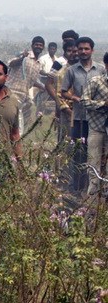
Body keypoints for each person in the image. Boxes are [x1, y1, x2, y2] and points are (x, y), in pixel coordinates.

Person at [61, 37, 106, 195]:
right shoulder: (71, 70)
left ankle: (94, 188)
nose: (83, 52)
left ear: (92, 50)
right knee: (78, 153)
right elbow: (63, 91)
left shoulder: (100, 69)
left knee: (96, 154)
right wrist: (74, 98)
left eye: (86, 49)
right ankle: (77, 187)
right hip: (79, 117)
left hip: (98, 121)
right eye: (80, 49)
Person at [80, 52, 108, 197]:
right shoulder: (96, 81)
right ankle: (91, 201)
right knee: (94, 163)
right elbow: (84, 101)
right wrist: (103, 104)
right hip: (97, 128)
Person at [6, 36, 45, 134]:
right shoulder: (24, 56)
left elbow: (31, 80)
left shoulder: (38, 63)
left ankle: (18, 136)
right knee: (14, 117)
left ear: (43, 47)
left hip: (24, 95)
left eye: (40, 45)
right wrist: (22, 57)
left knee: (27, 110)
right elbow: (11, 63)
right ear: (32, 45)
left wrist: (43, 87)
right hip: (12, 92)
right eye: (36, 44)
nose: (38, 47)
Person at [44, 40, 78, 143]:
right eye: (69, 51)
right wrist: (58, 102)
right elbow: (48, 84)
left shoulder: (81, 64)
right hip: (64, 104)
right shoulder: (60, 63)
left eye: (75, 51)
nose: (73, 54)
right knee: (64, 136)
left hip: (78, 105)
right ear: (64, 51)